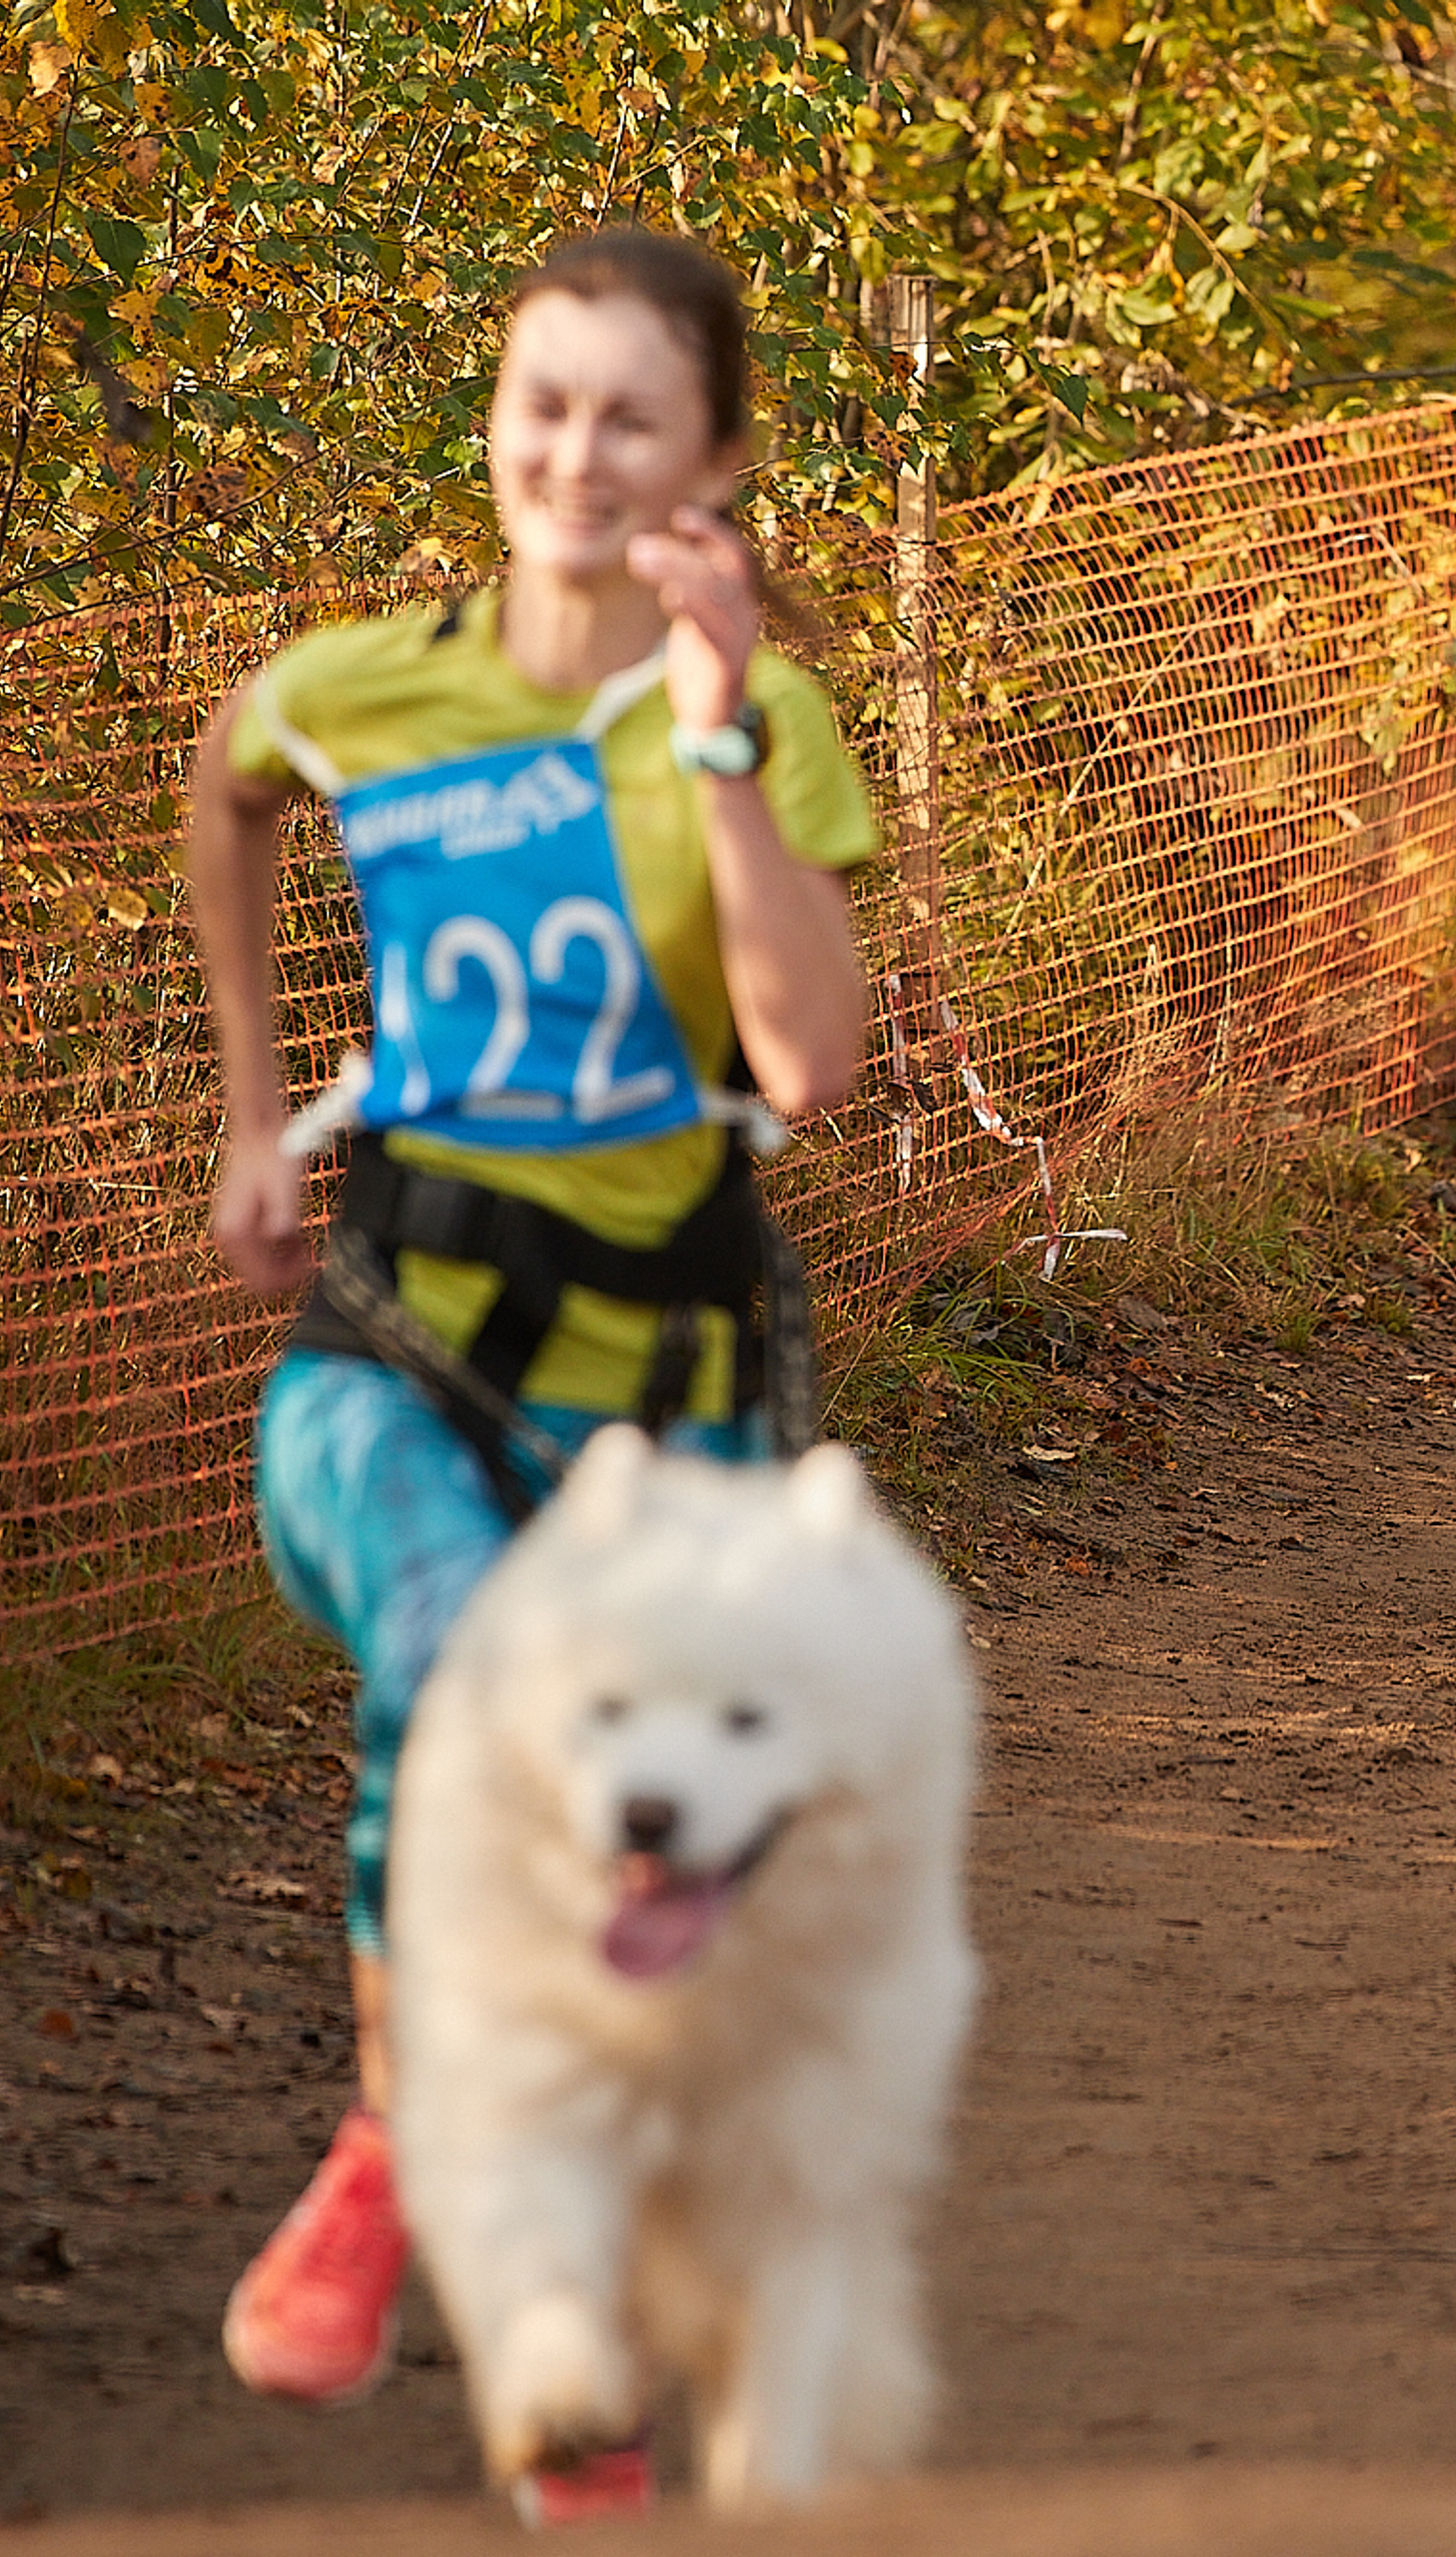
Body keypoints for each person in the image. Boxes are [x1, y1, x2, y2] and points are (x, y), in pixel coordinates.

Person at [185, 229, 878, 2513]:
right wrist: (251, 1106)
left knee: (636, 1886)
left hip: (655, 1404)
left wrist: (716, 732)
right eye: (540, 403)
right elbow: (226, 784)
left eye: (628, 416)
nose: (573, 453)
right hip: (384, 1352)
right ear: (494, 424)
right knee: (451, 1638)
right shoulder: (364, 685)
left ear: (713, 463)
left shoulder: (756, 721)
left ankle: (575, 2360)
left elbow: (808, 1058)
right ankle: (401, 2149)